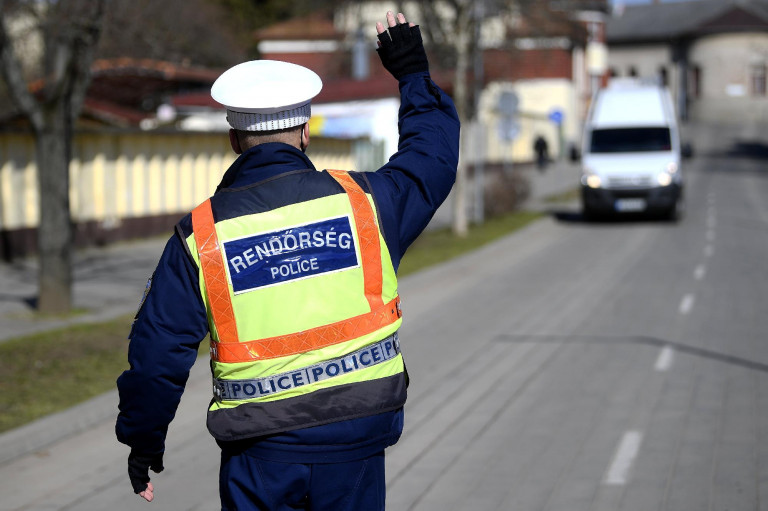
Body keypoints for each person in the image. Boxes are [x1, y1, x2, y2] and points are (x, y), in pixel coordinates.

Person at [115, 10, 460, 511]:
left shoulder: (201, 236)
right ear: (304, 133)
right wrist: (413, 75)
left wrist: (143, 441)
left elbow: (157, 354)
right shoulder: (365, 203)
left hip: (260, 454)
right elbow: (432, 159)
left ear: (235, 141)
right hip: (357, 445)